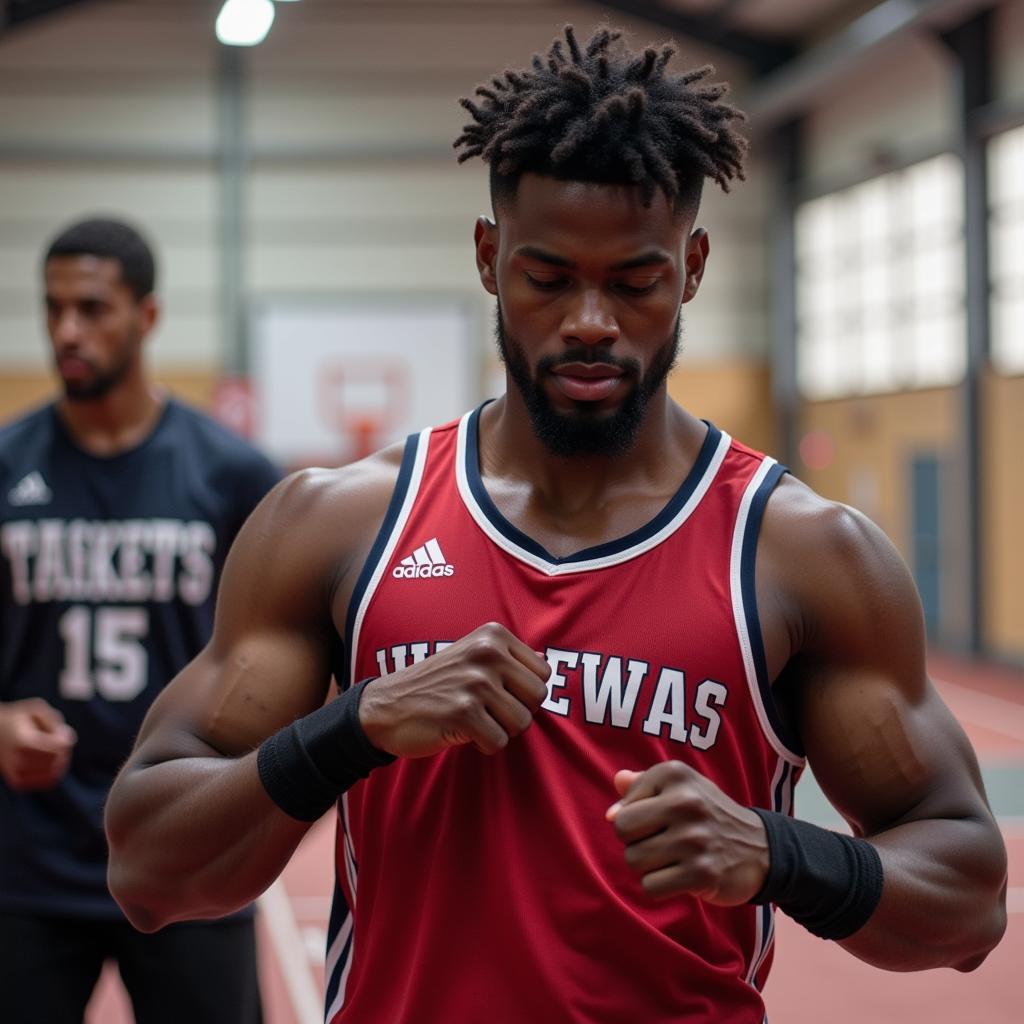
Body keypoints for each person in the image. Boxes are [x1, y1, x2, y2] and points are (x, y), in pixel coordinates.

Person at [105, 26, 1007, 1024]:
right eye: (547, 277)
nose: (589, 319)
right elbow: (150, 869)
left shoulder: (801, 552)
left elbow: (967, 904)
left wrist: (777, 853)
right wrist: (349, 726)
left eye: (634, 280)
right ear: (489, 257)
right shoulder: (338, 526)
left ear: (693, 267)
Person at [0, 217, 280, 1023]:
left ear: (148, 317)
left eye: (91, 308)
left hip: (188, 852)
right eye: (52, 310)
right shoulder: (8, 466)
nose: (67, 332)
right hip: (30, 866)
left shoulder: (232, 477)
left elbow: (284, 658)